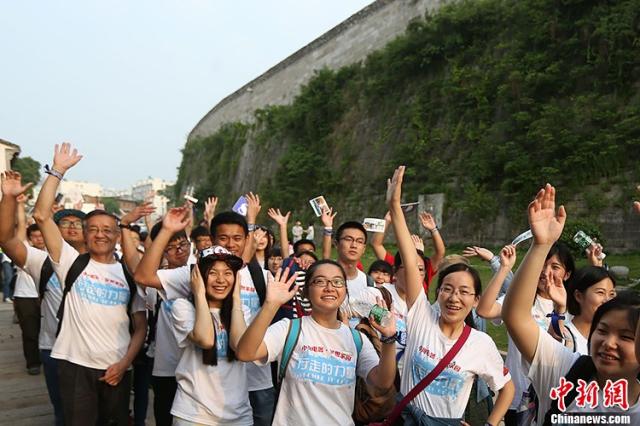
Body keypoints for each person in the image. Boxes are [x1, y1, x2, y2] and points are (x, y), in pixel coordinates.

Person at [502, 184, 640, 423]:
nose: (608, 343)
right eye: (602, 330)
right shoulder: (565, 371)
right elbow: (516, 316)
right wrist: (541, 246)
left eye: (626, 336)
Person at [388, 166, 514, 425]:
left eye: (464, 292)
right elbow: (411, 261)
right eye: (448, 289)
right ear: (437, 292)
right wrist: (394, 206)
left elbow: (507, 389)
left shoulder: (480, 344)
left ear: (476, 300)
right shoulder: (421, 316)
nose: (454, 297)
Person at [33, 143, 146, 425]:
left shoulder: (129, 274)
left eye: (107, 230)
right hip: (75, 367)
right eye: (93, 229)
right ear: (84, 234)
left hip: (117, 369)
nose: (100, 235)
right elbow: (41, 215)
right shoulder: (71, 262)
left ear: (117, 236)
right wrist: (57, 171)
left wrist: (124, 364)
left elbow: (140, 327)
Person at [135, 206, 276, 426]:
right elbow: (144, 276)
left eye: (237, 238)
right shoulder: (194, 274)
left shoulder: (263, 277)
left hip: (253, 385)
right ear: (212, 239)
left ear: (247, 239)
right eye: (224, 238)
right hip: (197, 403)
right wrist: (166, 230)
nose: (231, 244)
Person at [235, 259, 397, 425]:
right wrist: (270, 305)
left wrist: (389, 339)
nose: (329, 287)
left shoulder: (356, 339)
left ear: (345, 291)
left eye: (337, 282)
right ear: (306, 291)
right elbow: (245, 353)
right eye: (320, 281)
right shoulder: (289, 329)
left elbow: (382, 383)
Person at [0, 171, 87, 426]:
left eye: (78, 223)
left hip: (94, 353)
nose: (72, 226)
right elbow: (6, 239)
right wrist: (8, 199)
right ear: (53, 229)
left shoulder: (107, 265)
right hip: (54, 349)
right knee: (63, 413)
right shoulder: (42, 262)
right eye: (65, 222)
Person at [476, 240, 574, 425]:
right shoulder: (520, 301)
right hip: (519, 398)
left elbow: (558, 349)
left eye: (555, 267)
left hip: (557, 398)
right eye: (542, 265)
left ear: (567, 274)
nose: (546, 272)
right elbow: (484, 310)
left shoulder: (573, 309)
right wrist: (504, 268)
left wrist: (560, 309)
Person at [170, 247, 252, 425]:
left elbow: (239, 347)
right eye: (213, 273)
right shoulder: (183, 307)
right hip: (193, 414)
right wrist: (199, 294)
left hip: (239, 415)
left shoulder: (242, 311)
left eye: (228, 273)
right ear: (198, 276)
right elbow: (206, 340)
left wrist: (237, 299)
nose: (221, 280)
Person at [370, 210, 446, 289]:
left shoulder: (424, 266)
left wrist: (433, 229)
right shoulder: (394, 263)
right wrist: (387, 221)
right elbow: (376, 244)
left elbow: (440, 253)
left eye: (420, 269)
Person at [559, 266, 617, 355]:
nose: (607, 300)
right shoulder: (564, 338)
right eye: (600, 292)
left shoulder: (613, 338)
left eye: (611, 294)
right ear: (578, 296)